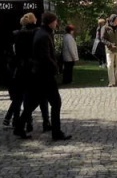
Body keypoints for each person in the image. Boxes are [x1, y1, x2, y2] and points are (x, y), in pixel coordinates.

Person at [16, 12, 71, 141]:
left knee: (33, 103)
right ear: (51, 22)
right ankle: (56, 132)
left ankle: (19, 126)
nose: (57, 24)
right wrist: (56, 67)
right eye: (55, 21)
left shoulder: (42, 33)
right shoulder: (43, 35)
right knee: (56, 103)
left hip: (40, 74)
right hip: (44, 75)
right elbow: (45, 56)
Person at [8, 13, 47, 130]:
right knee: (39, 96)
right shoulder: (36, 33)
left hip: (19, 68)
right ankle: (44, 121)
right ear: (33, 21)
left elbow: (13, 52)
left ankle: (17, 120)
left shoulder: (16, 34)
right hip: (33, 68)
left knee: (19, 97)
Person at [101, 14, 117, 87]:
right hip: (110, 50)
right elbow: (102, 39)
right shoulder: (105, 28)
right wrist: (110, 44)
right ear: (113, 20)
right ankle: (111, 82)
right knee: (110, 65)